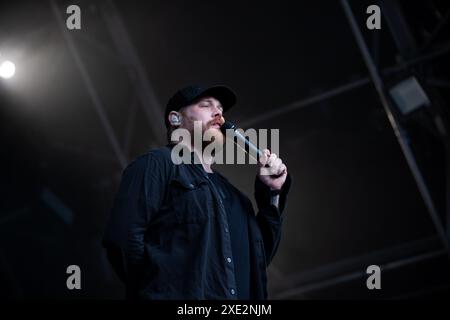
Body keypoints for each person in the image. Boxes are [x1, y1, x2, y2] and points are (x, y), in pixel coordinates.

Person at [102, 84, 291, 300]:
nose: (219, 113)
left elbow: (255, 262)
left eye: (220, 108)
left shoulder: (236, 198)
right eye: (206, 105)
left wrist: (273, 195)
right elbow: (123, 239)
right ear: (175, 119)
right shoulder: (157, 164)